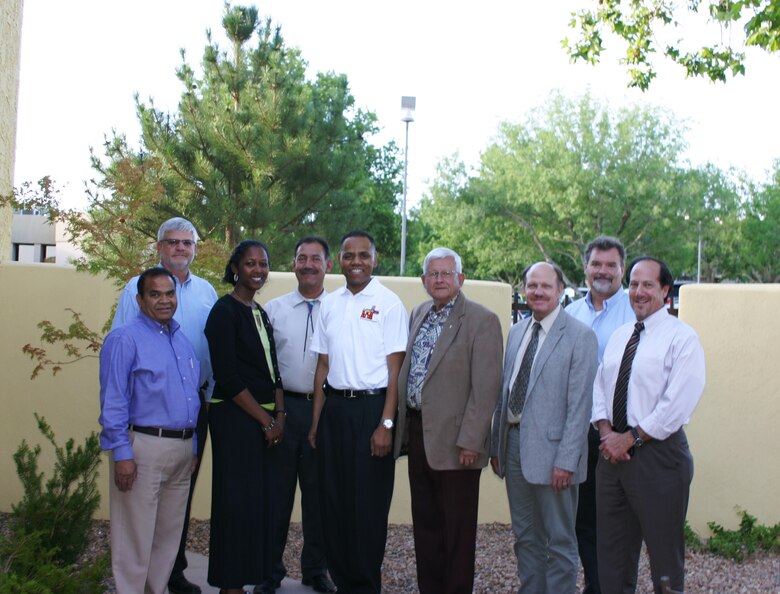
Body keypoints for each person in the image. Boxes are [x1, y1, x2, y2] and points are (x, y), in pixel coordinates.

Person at [112, 216, 217, 594]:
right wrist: (122, 440)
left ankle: (171, 575)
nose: (179, 249)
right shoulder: (135, 291)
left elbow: (214, 354)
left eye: (187, 243)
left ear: (194, 249)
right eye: (172, 242)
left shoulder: (206, 293)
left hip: (191, 416)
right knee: (138, 518)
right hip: (146, 422)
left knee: (175, 508)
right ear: (159, 247)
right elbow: (119, 366)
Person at [591, 256, 705, 594]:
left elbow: (677, 404)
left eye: (648, 285)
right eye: (634, 284)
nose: (639, 292)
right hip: (611, 458)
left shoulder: (682, 338)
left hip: (659, 457)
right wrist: (606, 432)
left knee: (664, 557)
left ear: (665, 291)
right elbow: (600, 386)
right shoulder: (620, 335)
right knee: (611, 554)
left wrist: (630, 438)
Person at [394, 247, 503, 594]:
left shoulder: (482, 320)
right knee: (426, 525)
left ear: (461, 278)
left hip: (458, 442)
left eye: (446, 273)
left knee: (456, 532)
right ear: (424, 280)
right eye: (433, 274)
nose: (439, 280)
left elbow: (486, 389)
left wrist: (472, 439)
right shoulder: (419, 312)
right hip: (418, 433)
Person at [308, 230, 408, 594]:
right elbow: (322, 367)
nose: (356, 262)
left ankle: (365, 586)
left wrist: (386, 422)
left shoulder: (389, 303)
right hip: (334, 410)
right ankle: (343, 581)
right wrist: (317, 423)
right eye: (349, 255)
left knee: (366, 508)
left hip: (371, 410)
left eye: (363, 255)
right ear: (339, 260)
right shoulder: (329, 304)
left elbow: (396, 370)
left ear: (375, 259)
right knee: (333, 504)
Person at [490, 262, 598, 594]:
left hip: (556, 457)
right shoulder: (518, 331)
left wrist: (567, 461)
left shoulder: (580, 336)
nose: (538, 292)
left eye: (546, 286)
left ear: (560, 290)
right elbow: (505, 390)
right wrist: (497, 446)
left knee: (560, 540)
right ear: (524, 289)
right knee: (525, 538)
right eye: (532, 285)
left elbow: (580, 406)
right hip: (515, 449)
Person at [99, 267, 201, 594]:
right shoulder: (125, 339)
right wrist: (122, 454)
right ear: (140, 299)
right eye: (154, 294)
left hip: (182, 451)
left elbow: (191, 398)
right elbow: (114, 400)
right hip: (143, 448)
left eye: (169, 294)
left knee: (167, 538)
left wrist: (194, 446)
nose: (163, 300)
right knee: (135, 538)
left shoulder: (182, 342)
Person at [205, 240, 285, 594]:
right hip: (236, 420)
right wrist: (266, 421)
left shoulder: (259, 312)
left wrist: (279, 415)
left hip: (265, 422)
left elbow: (274, 371)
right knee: (235, 504)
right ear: (235, 267)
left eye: (263, 264)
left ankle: (250, 577)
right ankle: (230, 584)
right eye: (250, 264)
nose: (258, 270)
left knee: (257, 505)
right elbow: (229, 377)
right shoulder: (223, 312)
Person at [258, 237, 336, 594]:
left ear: (327, 266)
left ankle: (315, 569)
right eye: (301, 258)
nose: (308, 264)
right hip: (284, 409)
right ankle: (269, 572)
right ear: (293, 264)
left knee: (319, 497)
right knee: (276, 495)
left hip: (324, 410)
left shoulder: (339, 309)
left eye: (315, 259)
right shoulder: (272, 310)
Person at [565, 236, 635, 594]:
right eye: (597, 264)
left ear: (622, 269)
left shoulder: (635, 312)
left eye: (611, 265)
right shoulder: (570, 314)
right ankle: (596, 586)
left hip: (616, 433)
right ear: (586, 268)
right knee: (584, 518)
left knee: (618, 520)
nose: (603, 271)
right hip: (577, 432)